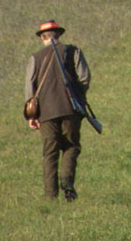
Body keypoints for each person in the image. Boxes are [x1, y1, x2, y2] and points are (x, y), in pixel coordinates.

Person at [25, 20, 92, 201]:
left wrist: (32, 116)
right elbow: (85, 78)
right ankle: (67, 181)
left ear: (42, 38)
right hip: (70, 109)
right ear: (59, 35)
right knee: (71, 146)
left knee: (50, 153)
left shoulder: (35, 58)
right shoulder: (73, 51)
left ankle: (50, 197)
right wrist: (77, 96)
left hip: (45, 113)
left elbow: (30, 89)